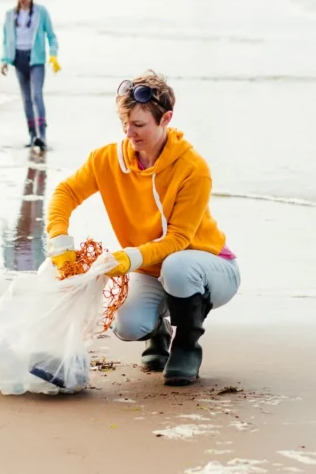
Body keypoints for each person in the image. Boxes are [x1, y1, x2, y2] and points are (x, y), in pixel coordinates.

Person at [45, 71, 240, 387]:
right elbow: (65, 192)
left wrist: (127, 257)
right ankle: (157, 332)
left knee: (177, 266)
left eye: (138, 125)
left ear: (166, 119)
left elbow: (178, 239)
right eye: (125, 124)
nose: (129, 133)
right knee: (128, 325)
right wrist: (59, 239)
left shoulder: (193, 169)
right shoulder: (107, 160)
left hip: (210, 267)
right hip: (150, 269)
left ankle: (187, 346)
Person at [0, 0, 60, 150]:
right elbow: (6, 40)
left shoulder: (41, 12)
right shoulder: (11, 15)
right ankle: (32, 135)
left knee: (36, 96)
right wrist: (5, 60)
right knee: (26, 99)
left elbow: (51, 36)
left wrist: (53, 55)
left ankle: (42, 135)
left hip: (36, 59)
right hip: (18, 59)